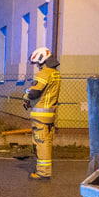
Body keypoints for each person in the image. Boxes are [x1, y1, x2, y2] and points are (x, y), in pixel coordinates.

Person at [23, 46, 61, 180]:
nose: (38, 66)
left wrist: (26, 96)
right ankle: (44, 170)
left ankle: (43, 173)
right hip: (49, 115)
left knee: (41, 143)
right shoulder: (55, 74)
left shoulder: (44, 74)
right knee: (46, 142)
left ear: (42, 60)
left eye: (38, 63)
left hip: (40, 116)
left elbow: (34, 93)